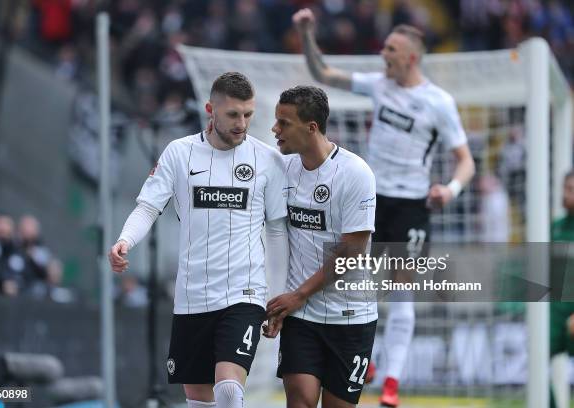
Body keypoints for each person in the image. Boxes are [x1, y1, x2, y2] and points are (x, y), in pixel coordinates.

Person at [292, 9, 476, 407]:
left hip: (411, 205)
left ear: (410, 57)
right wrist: (307, 32)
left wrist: (452, 189)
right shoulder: (378, 85)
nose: (383, 55)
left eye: (391, 49)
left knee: (402, 291)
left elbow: (466, 160)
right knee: (355, 284)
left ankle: (390, 383)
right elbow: (322, 74)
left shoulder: (438, 103)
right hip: (370, 201)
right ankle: (367, 361)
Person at [109, 72, 289, 408]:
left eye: (248, 114)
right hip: (192, 295)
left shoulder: (267, 160)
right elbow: (148, 208)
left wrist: (277, 295)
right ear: (210, 109)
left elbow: (278, 231)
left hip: (244, 292)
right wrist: (124, 241)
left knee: (229, 388)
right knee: (198, 398)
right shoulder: (179, 153)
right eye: (233, 114)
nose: (242, 123)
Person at [265, 85, 377, 408]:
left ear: (311, 127)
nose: (275, 130)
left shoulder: (356, 174)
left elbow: (352, 253)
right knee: (299, 401)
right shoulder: (281, 167)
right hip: (302, 315)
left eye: (284, 123)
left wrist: (297, 294)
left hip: (351, 316)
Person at [549, 170, 574, 408]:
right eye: (564, 188)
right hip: (555, 316)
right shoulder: (554, 228)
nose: (565, 195)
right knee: (535, 357)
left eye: (571, 190)